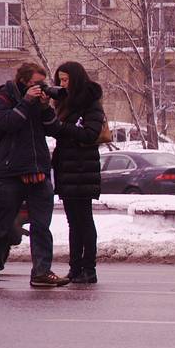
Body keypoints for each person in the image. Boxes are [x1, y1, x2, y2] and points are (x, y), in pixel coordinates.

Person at [0, 62, 68, 288]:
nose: (40, 87)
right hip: (10, 173)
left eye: (42, 83)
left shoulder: (38, 103)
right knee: (2, 223)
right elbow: (7, 124)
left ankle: (41, 271)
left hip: (37, 170)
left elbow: (54, 129)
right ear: (23, 82)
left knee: (41, 226)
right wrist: (27, 101)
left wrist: (45, 106)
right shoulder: (2, 98)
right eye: (36, 84)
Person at [51, 61, 105, 284]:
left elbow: (90, 134)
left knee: (84, 219)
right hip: (67, 167)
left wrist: (61, 127)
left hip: (82, 168)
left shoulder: (90, 102)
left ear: (76, 79)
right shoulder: (64, 102)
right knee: (73, 221)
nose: (62, 85)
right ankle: (75, 268)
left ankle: (89, 268)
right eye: (60, 80)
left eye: (66, 80)